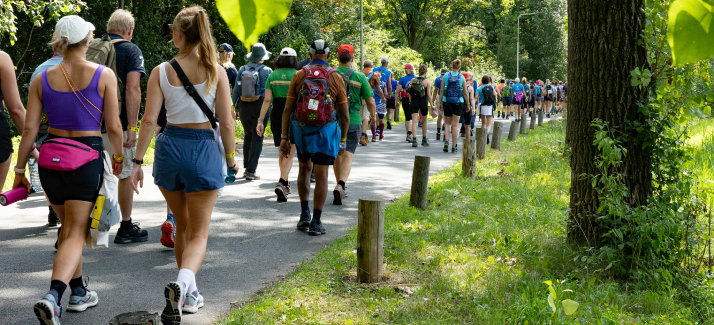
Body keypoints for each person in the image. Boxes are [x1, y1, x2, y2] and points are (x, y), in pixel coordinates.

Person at [130, 6, 238, 321]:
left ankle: (188, 294)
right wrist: (230, 158)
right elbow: (227, 122)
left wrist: (137, 161)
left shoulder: (161, 71)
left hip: (169, 150)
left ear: (179, 34)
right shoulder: (217, 70)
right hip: (203, 150)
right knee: (200, 230)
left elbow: (149, 120)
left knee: (182, 224)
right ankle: (183, 284)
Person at [12, 15, 122, 323]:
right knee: (76, 231)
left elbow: (30, 129)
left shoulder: (41, 79)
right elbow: (113, 126)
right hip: (85, 160)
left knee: (69, 228)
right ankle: (53, 296)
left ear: (60, 40)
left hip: (50, 163)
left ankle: (78, 291)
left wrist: (20, 170)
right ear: (88, 39)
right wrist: (119, 159)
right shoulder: (104, 75)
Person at [279, 39, 349, 236]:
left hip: (302, 131)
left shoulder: (299, 75)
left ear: (309, 55)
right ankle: (316, 222)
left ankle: (304, 216)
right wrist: (342, 139)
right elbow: (344, 115)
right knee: (322, 175)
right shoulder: (335, 77)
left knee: (304, 169)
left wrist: (285, 137)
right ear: (328, 55)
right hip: (326, 132)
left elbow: (287, 109)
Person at [99, 9, 149, 245]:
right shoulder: (131, 50)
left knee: (92, 175)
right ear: (130, 30)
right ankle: (126, 227)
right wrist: (132, 126)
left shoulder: (89, 47)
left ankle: (76, 228)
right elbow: (132, 89)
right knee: (124, 173)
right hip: (115, 125)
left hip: (87, 125)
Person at [333, 44, 376, 205]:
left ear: (337, 58)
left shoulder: (331, 74)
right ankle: (341, 184)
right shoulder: (359, 77)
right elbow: (370, 100)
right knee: (348, 153)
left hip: (333, 121)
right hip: (353, 120)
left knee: (337, 154)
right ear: (352, 59)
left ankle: (339, 184)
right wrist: (373, 116)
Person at [256, 47, 299, 202]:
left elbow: (267, 100)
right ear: (294, 59)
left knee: (282, 150)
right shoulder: (297, 74)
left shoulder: (272, 75)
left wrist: (260, 120)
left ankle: (285, 183)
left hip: (277, 113)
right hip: (293, 112)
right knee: (291, 150)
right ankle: (282, 182)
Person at [30, 43, 64, 227]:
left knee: (46, 165)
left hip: (43, 126)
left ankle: (52, 207)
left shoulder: (39, 70)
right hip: (66, 128)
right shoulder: (75, 68)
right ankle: (61, 208)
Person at [232, 43, 273, 180]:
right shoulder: (268, 71)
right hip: (260, 105)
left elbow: (236, 91)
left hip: (244, 106)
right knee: (258, 137)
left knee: (248, 135)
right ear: (262, 57)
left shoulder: (242, 69)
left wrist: (233, 107)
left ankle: (247, 167)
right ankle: (251, 171)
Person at [438, 59, 469, 153]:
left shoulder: (446, 76)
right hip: (458, 102)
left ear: (451, 66)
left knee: (447, 123)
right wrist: (467, 104)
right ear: (459, 67)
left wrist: (440, 103)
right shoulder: (462, 77)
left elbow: (442, 91)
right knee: (455, 125)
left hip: (447, 101)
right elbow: (465, 92)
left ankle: (446, 141)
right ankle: (454, 146)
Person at [359, 60, 383, 144]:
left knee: (361, 115)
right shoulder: (374, 74)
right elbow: (379, 89)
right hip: (369, 97)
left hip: (359, 97)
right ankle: (363, 135)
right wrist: (383, 98)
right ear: (372, 66)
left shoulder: (359, 73)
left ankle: (362, 134)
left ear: (363, 65)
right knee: (366, 116)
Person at [408, 64, 432, 147]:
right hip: (423, 102)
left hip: (414, 102)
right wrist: (432, 104)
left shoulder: (412, 80)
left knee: (414, 122)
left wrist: (410, 102)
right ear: (425, 72)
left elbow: (410, 92)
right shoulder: (427, 81)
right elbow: (428, 94)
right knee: (424, 121)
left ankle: (414, 140)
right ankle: (424, 139)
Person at [396, 64, 417, 142]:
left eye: (405, 69)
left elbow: (397, 90)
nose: (404, 70)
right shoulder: (416, 77)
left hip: (405, 99)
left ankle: (408, 134)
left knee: (407, 117)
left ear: (408, 70)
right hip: (414, 99)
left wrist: (396, 101)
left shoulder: (403, 79)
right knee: (412, 117)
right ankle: (410, 134)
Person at [476, 76, 498, 143]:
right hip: (489, 106)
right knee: (489, 123)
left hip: (482, 105)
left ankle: (483, 136)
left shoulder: (479, 88)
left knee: (483, 123)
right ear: (489, 80)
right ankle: (487, 133)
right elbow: (495, 94)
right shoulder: (491, 87)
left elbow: (476, 97)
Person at [432, 68, 447, 140]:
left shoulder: (438, 79)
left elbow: (435, 91)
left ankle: (438, 132)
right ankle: (445, 135)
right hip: (447, 97)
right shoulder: (448, 78)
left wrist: (433, 100)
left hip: (439, 97)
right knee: (447, 117)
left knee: (440, 116)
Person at [461, 72, 475, 140]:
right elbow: (472, 99)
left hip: (459, 106)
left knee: (457, 125)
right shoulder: (470, 88)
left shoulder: (458, 86)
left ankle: (454, 144)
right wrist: (473, 108)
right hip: (467, 106)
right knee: (468, 125)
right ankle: (468, 142)